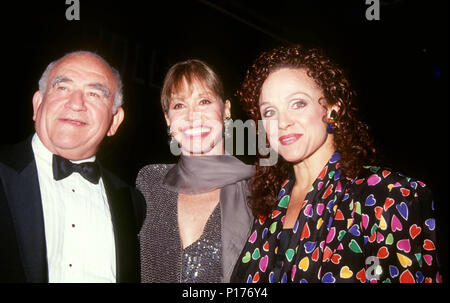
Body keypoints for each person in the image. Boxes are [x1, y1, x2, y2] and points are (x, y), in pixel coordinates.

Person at [231, 45, 442, 283]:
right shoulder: (267, 207)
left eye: (298, 103)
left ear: (333, 110)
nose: (282, 122)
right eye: (269, 111)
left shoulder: (389, 196)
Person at [0, 51, 146, 283]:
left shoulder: (132, 203)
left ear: (114, 121)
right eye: (62, 88)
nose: (76, 103)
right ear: (38, 104)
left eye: (95, 93)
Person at [137, 59, 254, 282]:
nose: (193, 116)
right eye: (179, 105)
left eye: (204, 101)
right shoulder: (149, 181)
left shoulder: (259, 192)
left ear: (226, 109)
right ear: (167, 119)